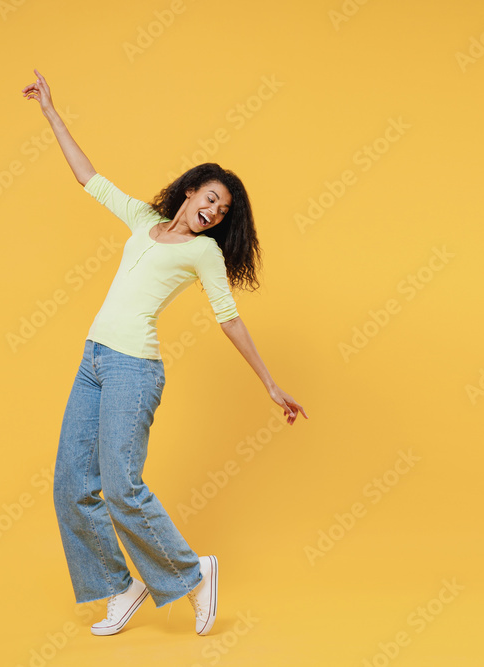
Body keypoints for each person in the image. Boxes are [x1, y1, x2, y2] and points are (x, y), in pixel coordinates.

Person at [22, 69, 308, 637]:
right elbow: (90, 178)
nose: (214, 212)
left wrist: (269, 383)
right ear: (190, 191)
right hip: (94, 360)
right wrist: (51, 112)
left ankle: (193, 574)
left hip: (133, 370)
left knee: (122, 487)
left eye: (222, 210)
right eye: (210, 199)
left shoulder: (203, 253)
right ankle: (122, 587)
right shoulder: (144, 221)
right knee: (71, 483)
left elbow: (228, 318)